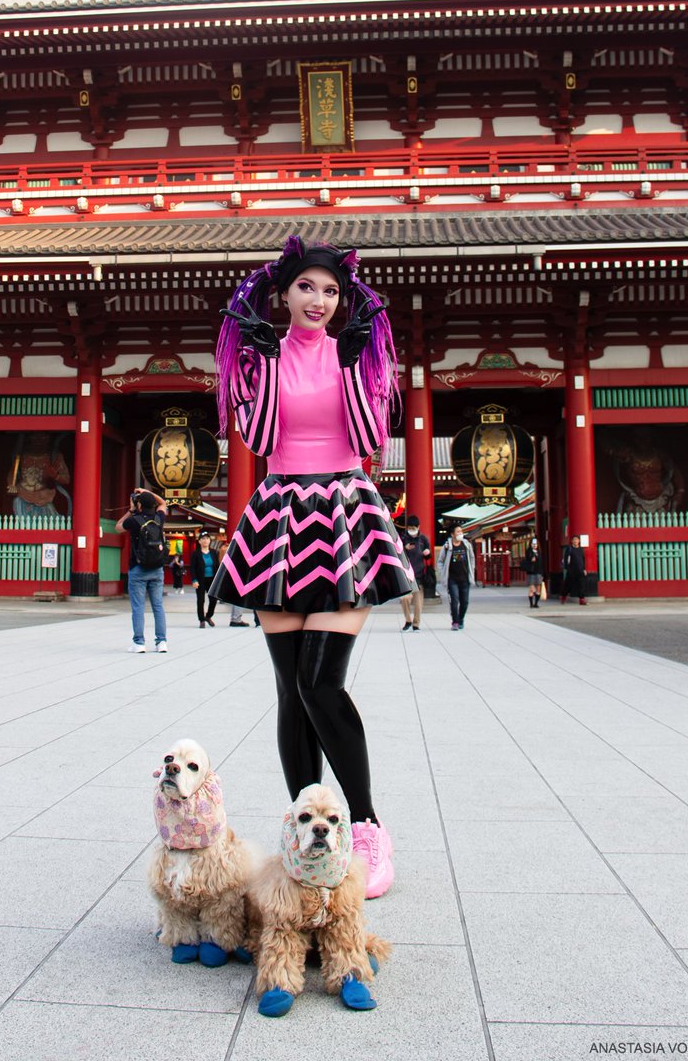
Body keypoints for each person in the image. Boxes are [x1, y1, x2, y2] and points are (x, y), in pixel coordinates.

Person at [208, 234, 414, 898]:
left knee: (322, 683)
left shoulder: (357, 356)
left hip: (343, 509)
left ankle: (368, 826)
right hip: (278, 516)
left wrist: (356, 368)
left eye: (330, 290)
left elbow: (368, 438)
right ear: (283, 294)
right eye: (306, 288)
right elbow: (262, 440)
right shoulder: (260, 359)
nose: (319, 300)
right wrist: (258, 366)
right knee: (289, 689)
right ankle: (309, 829)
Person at [116, 488, 169, 653]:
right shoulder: (159, 518)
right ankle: (161, 642)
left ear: (138, 504)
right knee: (158, 606)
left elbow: (118, 527)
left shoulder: (134, 520)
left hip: (138, 568)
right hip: (157, 568)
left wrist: (130, 511)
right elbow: (163, 503)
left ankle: (139, 642)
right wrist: (146, 492)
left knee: (138, 607)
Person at [437, 525, 475, 630]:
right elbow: (440, 561)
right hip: (452, 578)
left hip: (464, 578)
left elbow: (472, 558)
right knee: (454, 600)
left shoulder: (467, 545)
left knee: (465, 601)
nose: (460, 533)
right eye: (458, 531)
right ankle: (455, 622)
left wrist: (472, 569)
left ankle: (461, 618)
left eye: (461, 531)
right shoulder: (447, 546)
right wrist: (442, 573)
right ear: (452, 534)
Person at [400, 515, 431, 631]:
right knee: (404, 599)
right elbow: (396, 553)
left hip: (419, 575)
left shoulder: (423, 539)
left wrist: (427, 553)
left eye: (413, 527)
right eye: (410, 527)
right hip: (406, 574)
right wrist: (404, 549)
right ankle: (408, 620)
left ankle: (416, 623)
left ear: (418, 527)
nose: (411, 530)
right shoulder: (403, 538)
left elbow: (429, 556)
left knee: (418, 603)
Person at [190, 532, 219, 626]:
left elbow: (217, 566)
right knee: (200, 600)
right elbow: (192, 568)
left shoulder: (214, 552)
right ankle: (201, 620)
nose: (205, 540)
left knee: (213, 599)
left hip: (212, 579)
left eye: (207, 538)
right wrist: (194, 580)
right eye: (203, 538)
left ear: (210, 540)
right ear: (199, 541)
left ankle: (208, 616)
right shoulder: (196, 554)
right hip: (200, 579)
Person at [561, 535, 588, 606]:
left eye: (577, 540)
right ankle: (563, 596)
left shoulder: (581, 549)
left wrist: (584, 569)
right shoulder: (569, 549)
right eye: (574, 540)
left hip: (580, 570)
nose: (576, 541)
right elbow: (566, 559)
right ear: (572, 541)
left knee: (581, 585)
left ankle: (582, 599)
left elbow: (583, 559)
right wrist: (567, 568)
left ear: (579, 541)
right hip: (571, 570)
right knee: (568, 585)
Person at [524, 535, 544, 609]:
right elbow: (527, 560)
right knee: (532, 588)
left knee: (538, 588)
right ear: (530, 544)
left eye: (535, 544)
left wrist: (542, 573)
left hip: (538, 571)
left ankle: (536, 603)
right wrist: (531, 559)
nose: (534, 545)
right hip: (531, 572)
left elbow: (541, 563)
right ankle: (531, 603)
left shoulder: (539, 552)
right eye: (533, 544)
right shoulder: (528, 551)